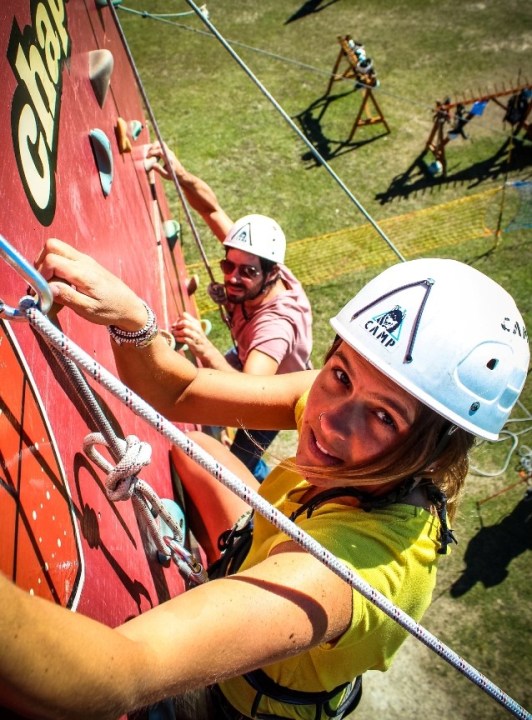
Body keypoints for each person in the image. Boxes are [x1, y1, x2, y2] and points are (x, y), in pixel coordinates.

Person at [1, 239, 528, 720]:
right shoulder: (347, 402)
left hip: (239, 705)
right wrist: (133, 320)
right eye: (340, 373)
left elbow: (122, 671)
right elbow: (182, 393)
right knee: (199, 452)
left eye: (384, 416)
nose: (329, 420)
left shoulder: (349, 573)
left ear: (436, 451)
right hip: (265, 541)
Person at [148, 143, 313, 479]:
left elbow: (250, 394)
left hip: (272, 395)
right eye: (228, 265)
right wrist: (181, 174)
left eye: (247, 272)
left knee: (236, 466)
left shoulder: (275, 328)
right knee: (209, 389)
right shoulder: (256, 257)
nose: (233, 278)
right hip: (248, 358)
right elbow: (211, 210)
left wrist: (204, 347)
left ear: (272, 273)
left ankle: (257, 484)